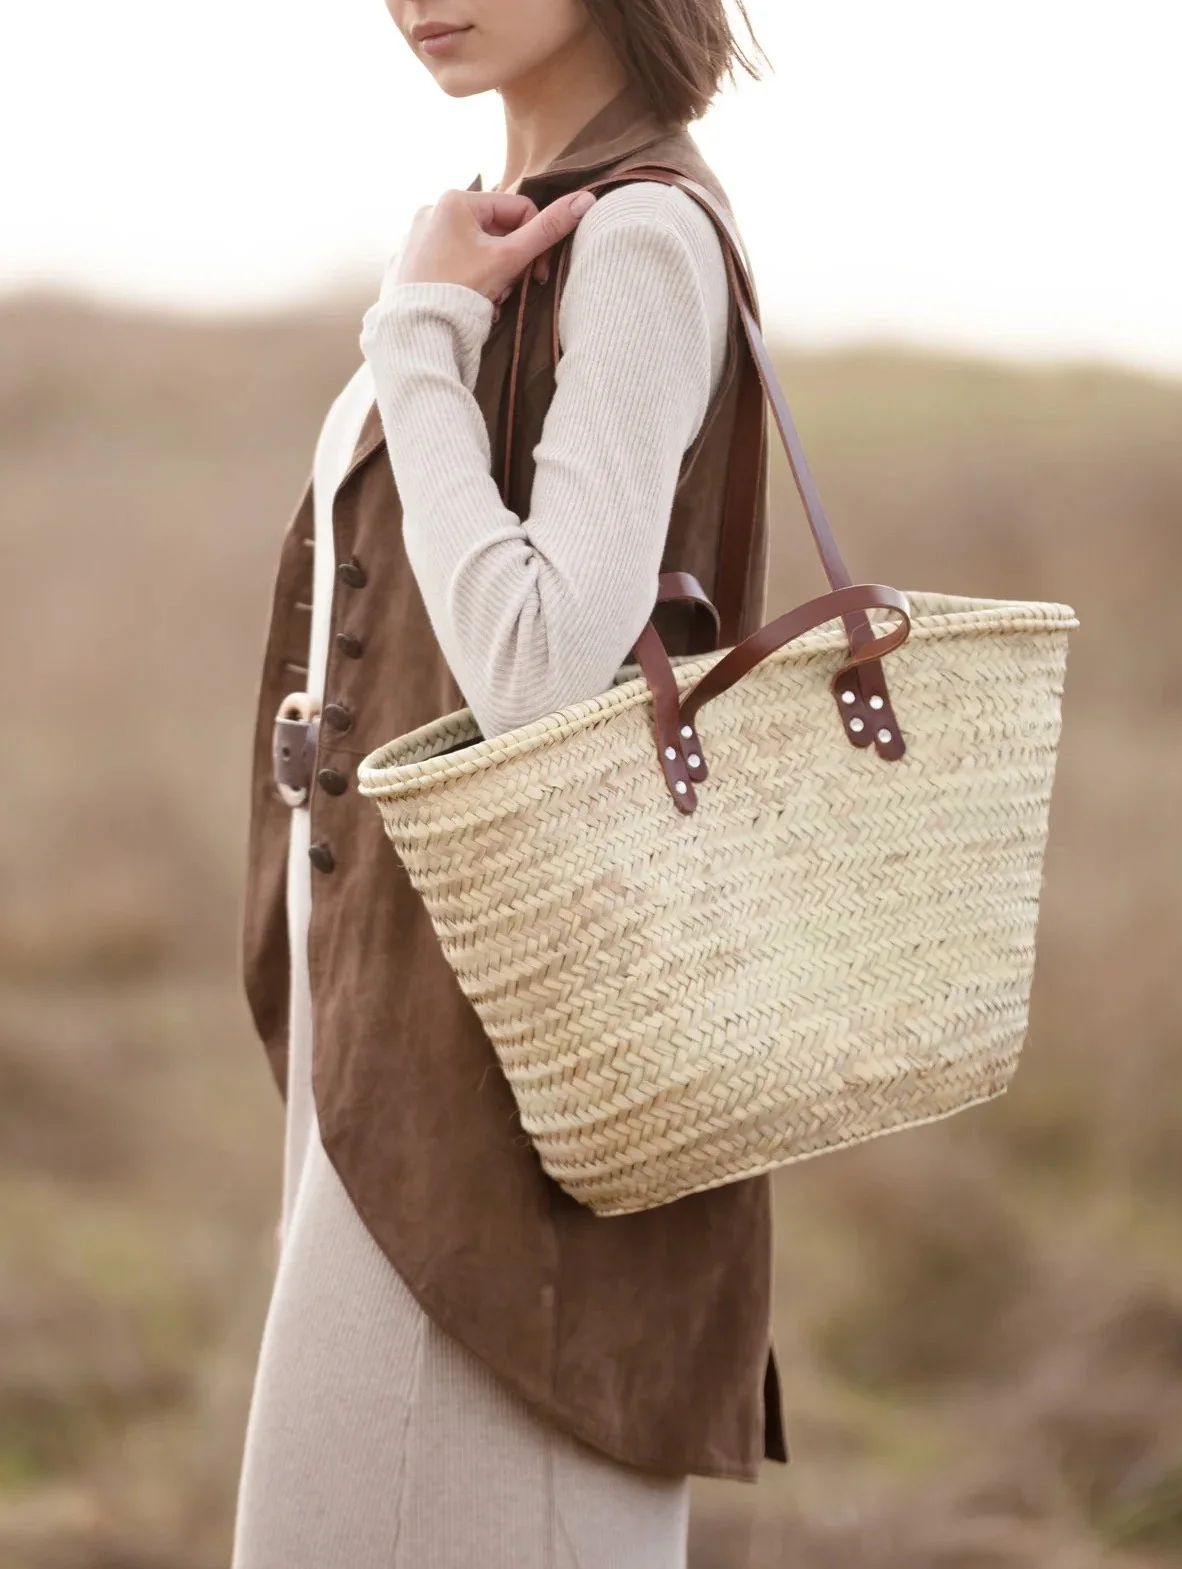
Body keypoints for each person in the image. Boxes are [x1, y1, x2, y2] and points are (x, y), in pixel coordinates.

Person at [232, 2, 784, 1565]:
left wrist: (417, 342)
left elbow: (538, 664)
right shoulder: (509, 234)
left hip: (507, 1054)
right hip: (398, 1011)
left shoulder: (640, 242)